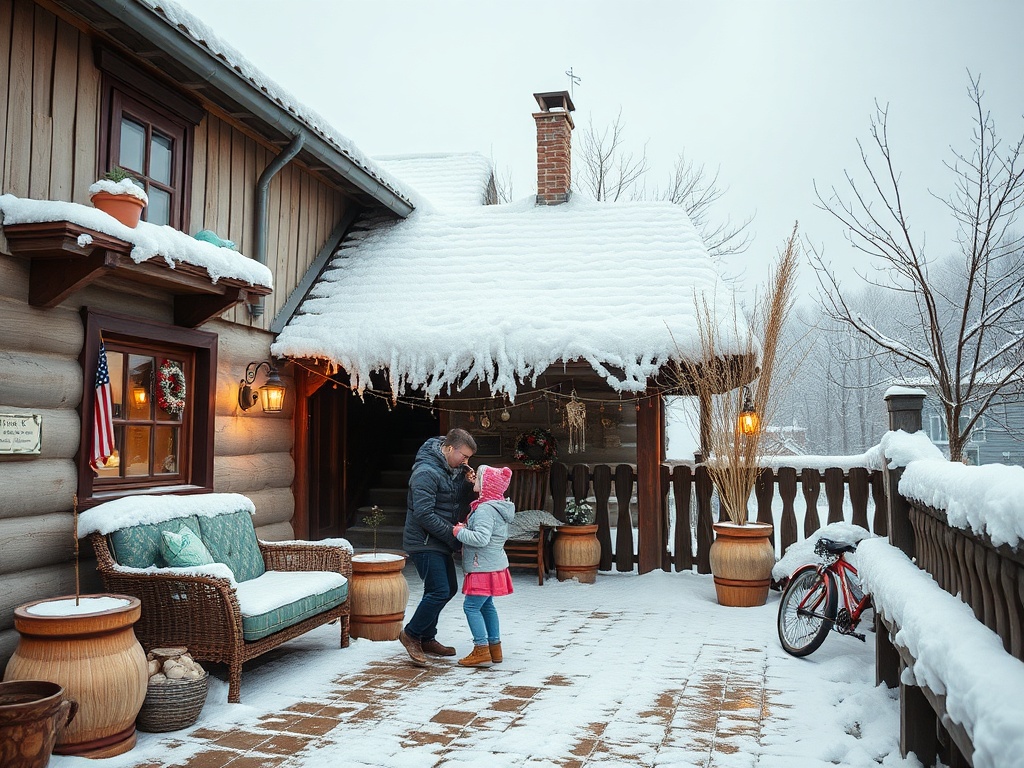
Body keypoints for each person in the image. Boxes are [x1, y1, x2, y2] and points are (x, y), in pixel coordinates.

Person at [399, 428, 477, 667]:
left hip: (439, 539)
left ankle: (426, 637)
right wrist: (454, 536)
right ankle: (411, 634)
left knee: (447, 588)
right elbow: (423, 514)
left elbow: (451, 503)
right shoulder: (425, 472)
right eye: (464, 456)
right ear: (450, 448)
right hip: (423, 541)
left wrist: (466, 485)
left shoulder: (452, 469)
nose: (466, 461)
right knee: (439, 590)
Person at [452, 464, 515, 667]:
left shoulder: (486, 510)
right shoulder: (495, 506)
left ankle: (481, 649)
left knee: (471, 607)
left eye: (478, 479)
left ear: (487, 485)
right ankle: (495, 648)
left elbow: (481, 538)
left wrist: (458, 532)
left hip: (482, 566)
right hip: (492, 564)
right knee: (487, 606)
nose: (474, 481)